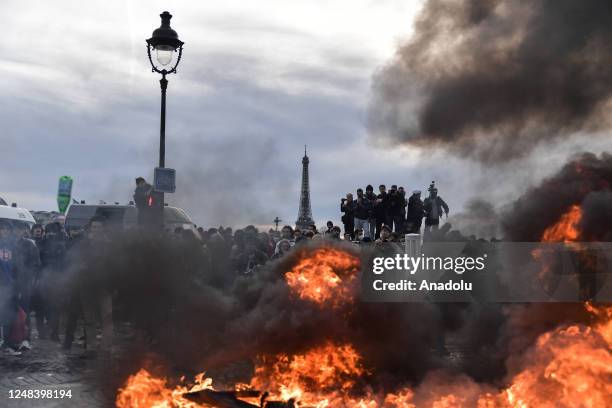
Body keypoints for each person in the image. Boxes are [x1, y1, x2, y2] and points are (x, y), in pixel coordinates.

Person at [67, 216, 114, 357]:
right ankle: (91, 347)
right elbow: (77, 263)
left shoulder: (109, 245)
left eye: (98, 227)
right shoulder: (84, 244)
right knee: (89, 320)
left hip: (104, 287)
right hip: (87, 287)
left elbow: (115, 266)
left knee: (107, 317)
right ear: (90, 228)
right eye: (94, 227)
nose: (96, 230)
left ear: (103, 229)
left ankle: (106, 348)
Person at [0, 220, 21, 355]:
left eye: (8, 229)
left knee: (10, 315)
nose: (5, 232)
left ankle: (8, 343)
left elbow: (19, 267)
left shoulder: (14, 246)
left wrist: (17, 285)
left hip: (11, 286)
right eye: (2, 229)